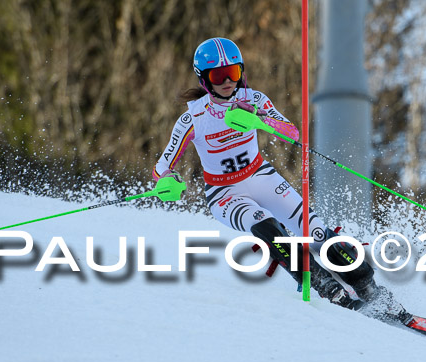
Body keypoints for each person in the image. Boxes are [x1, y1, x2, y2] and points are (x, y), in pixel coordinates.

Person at [153, 37, 409, 321]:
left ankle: (369, 288)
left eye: (234, 73)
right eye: (218, 75)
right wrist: (168, 181)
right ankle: (323, 285)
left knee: (318, 233)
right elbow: (162, 166)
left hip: (261, 176)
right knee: (268, 227)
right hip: (225, 194)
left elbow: (291, 133)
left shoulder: (254, 100)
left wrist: (259, 121)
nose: (228, 81)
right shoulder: (193, 118)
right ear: (204, 80)